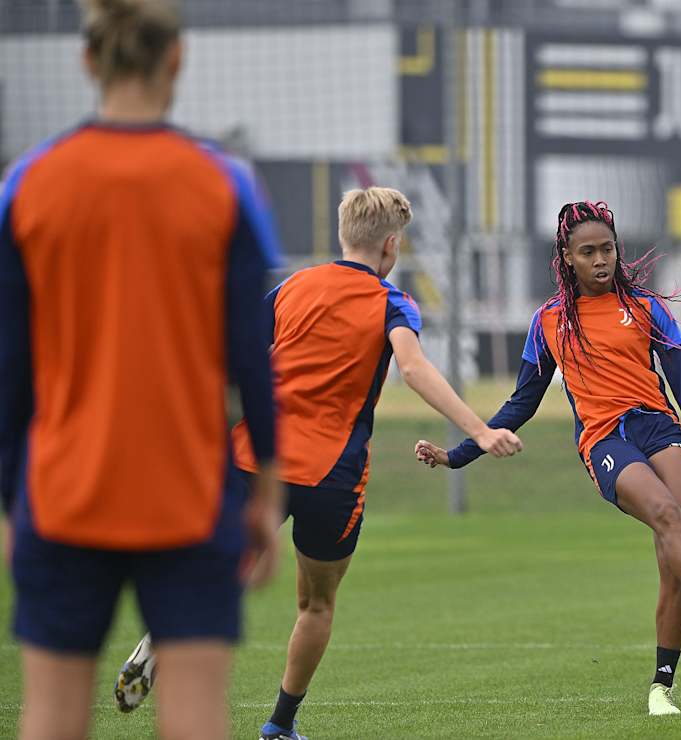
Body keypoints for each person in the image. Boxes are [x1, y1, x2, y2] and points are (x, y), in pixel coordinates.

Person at [112, 187, 524, 740]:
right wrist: (479, 429)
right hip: (331, 475)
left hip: (254, 456)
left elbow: (230, 361)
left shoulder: (292, 286)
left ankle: (168, 634)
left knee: (225, 566)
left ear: (342, 236)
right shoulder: (392, 302)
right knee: (317, 603)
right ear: (392, 246)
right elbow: (416, 368)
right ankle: (280, 725)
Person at [0, 1, 283, 737]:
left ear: (88, 61)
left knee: (52, 718)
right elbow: (251, 356)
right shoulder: (226, 186)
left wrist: (9, 504)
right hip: (186, 494)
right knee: (195, 718)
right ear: (177, 59)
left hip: (62, 493)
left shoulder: (29, 184)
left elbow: (8, 369)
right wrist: (263, 495)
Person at [416, 200, 681, 717]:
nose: (601, 260)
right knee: (668, 518)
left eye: (607, 249)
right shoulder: (550, 321)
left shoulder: (648, 308)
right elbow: (521, 403)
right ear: (567, 257)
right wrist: (458, 454)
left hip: (659, 428)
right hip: (605, 441)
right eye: (588, 252)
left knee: (674, 558)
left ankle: (661, 687)